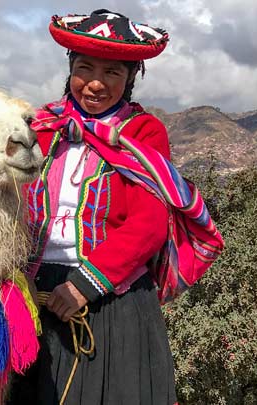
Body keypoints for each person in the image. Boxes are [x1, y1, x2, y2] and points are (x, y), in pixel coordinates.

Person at [11, 9, 178, 405]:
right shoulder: (41, 127)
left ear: (131, 78)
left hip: (108, 299)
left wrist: (85, 285)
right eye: (85, 68)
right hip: (33, 294)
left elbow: (151, 222)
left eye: (113, 73)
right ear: (70, 68)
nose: (96, 84)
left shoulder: (142, 133)